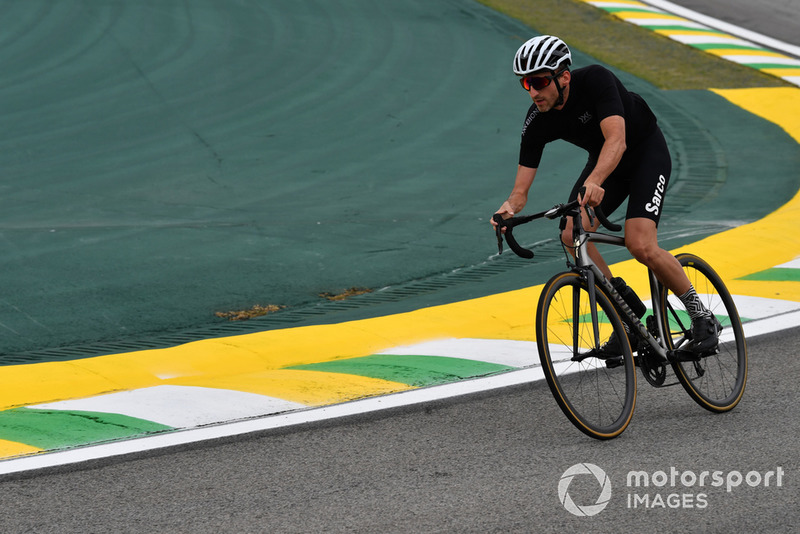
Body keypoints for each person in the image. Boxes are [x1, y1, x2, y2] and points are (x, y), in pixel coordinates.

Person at [491, 35, 720, 354]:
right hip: (605, 164)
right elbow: (520, 193)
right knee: (572, 233)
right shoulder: (537, 120)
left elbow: (617, 140)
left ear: (563, 76)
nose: (533, 91)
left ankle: (702, 316)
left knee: (640, 244)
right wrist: (506, 211)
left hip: (643, 154)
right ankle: (628, 317)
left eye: (540, 81)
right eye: (526, 84)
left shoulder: (597, 80)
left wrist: (596, 179)